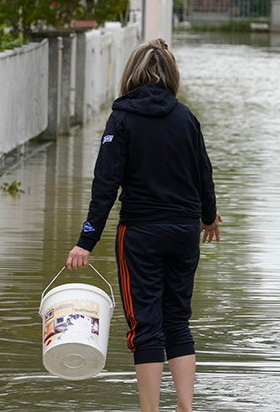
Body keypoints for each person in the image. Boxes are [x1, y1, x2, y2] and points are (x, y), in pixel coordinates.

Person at [66, 38, 221, 412]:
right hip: (185, 232)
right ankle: (186, 407)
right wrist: (208, 215)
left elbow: (105, 184)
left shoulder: (121, 119)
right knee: (178, 322)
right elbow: (204, 172)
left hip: (140, 234)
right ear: (172, 74)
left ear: (131, 72)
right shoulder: (185, 117)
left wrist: (85, 242)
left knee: (145, 326)